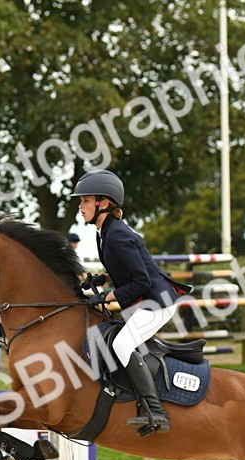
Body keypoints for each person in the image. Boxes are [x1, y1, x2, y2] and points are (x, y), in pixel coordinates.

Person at [70, 168, 183, 435]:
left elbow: (141, 281)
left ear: (104, 203)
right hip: (143, 301)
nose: (80, 206)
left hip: (158, 302)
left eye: (85, 201)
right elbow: (127, 271)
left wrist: (106, 297)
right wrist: (101, 280)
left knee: (121, 344)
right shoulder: (105, 231)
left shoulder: (117, 234)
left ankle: (156, 412)